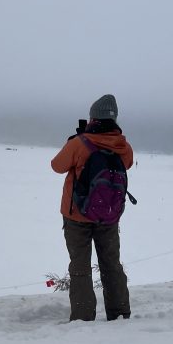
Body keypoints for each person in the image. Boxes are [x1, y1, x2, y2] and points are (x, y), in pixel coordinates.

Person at [51, 94, 134, 322]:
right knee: (111, 264)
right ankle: (119, 312)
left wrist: (74, 142)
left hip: (77, 215)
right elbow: (127, 163)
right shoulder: (122, 145)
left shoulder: (80, 143)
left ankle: (83, 316)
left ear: (92, 117)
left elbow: (57, 166)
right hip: (108, 216)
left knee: (80, 266)